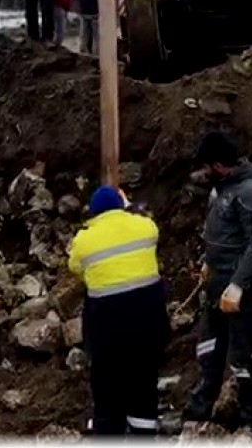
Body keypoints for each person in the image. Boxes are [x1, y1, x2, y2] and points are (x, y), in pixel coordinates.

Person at [184, 131, 252, 432]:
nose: (202, 173)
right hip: (216, 289)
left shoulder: (251, 193)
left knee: (240, 359)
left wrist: (237, 285)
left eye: (206, 166)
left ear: (218, 165)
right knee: (208, 350)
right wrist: (208, 266)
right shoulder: (221, 190)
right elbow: (220, 237)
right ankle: (198, 412)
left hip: (242, 295)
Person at [68, 185, 170, 436]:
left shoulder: (84, 240)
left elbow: (75, 268)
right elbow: (152, 233)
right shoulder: (145, 227)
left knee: (107, 388)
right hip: (148, 326)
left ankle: (108, 432)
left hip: (107, 332)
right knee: (144, 384)